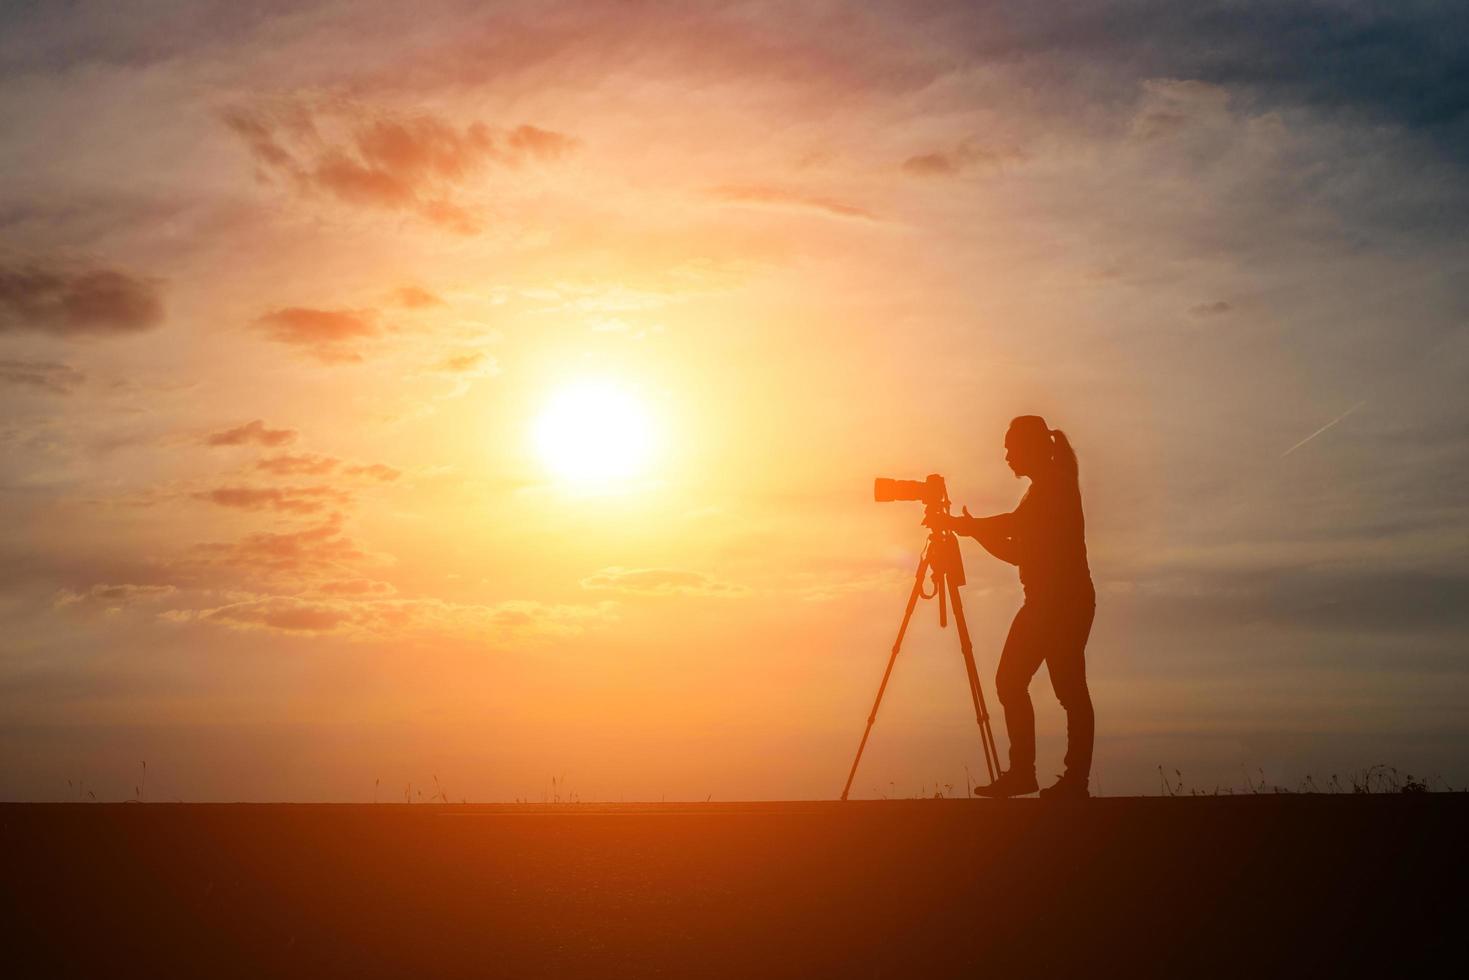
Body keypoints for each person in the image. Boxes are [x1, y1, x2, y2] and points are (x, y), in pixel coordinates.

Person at [926, 415, 1096, 799]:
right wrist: (972, 530)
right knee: (1027, 683)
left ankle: (1060, 779)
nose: (1006, 456)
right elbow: (1017, 551)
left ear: (1030, 448)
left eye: (1010, 448)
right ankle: (1037, 775)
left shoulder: (1054, 486)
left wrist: (965, 527)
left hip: (1061, 604)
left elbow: (1013, 526)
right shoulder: (1046, 488)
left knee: (1061, 688)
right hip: (1048, 602)